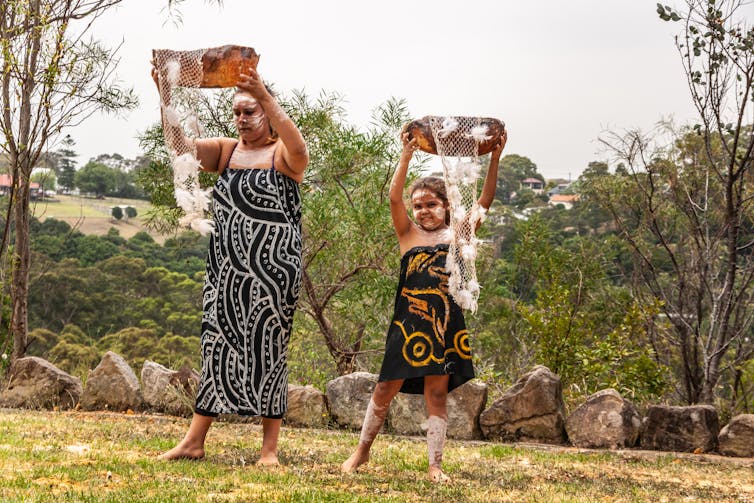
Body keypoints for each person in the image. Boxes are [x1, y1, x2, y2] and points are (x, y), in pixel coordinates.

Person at [153, 64, 309, 465]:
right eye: (236, 113)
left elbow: (301, 148)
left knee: (268, 347)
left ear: (266, 115)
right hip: (226, 268)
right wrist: (164, 97)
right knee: (218, 345)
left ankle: (269, 450)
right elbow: (180, 146)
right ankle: (193, 441)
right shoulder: (227, 151)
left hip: (274, 271)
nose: (241, 119)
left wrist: (265, 95)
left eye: (249, 112)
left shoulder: (282, 155)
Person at [341, 127, 506, 482]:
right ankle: (361, 452)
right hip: (408, 324)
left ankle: (435, 465)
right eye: (419, 206)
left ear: (446, 205)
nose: (424, 211)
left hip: (445, 323)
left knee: (436, 392)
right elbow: (393, 199)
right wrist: (406, 155)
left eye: (431, 204)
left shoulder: (459, 234)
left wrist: (494, 157)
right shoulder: (408, 235)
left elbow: (485, 201)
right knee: (385, 387)